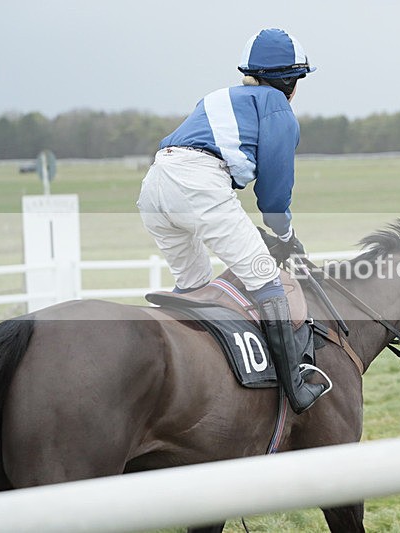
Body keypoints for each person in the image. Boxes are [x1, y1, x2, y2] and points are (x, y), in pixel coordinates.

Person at [136, 28, 326, 414]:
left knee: (195, 287)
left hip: (155, 184)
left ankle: (190, 382)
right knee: (266, 280)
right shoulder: (277, 107)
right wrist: (286, 233)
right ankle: (296, 387)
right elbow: (273, 194)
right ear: (291, 80)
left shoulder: (219, 97)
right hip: (199, 183)